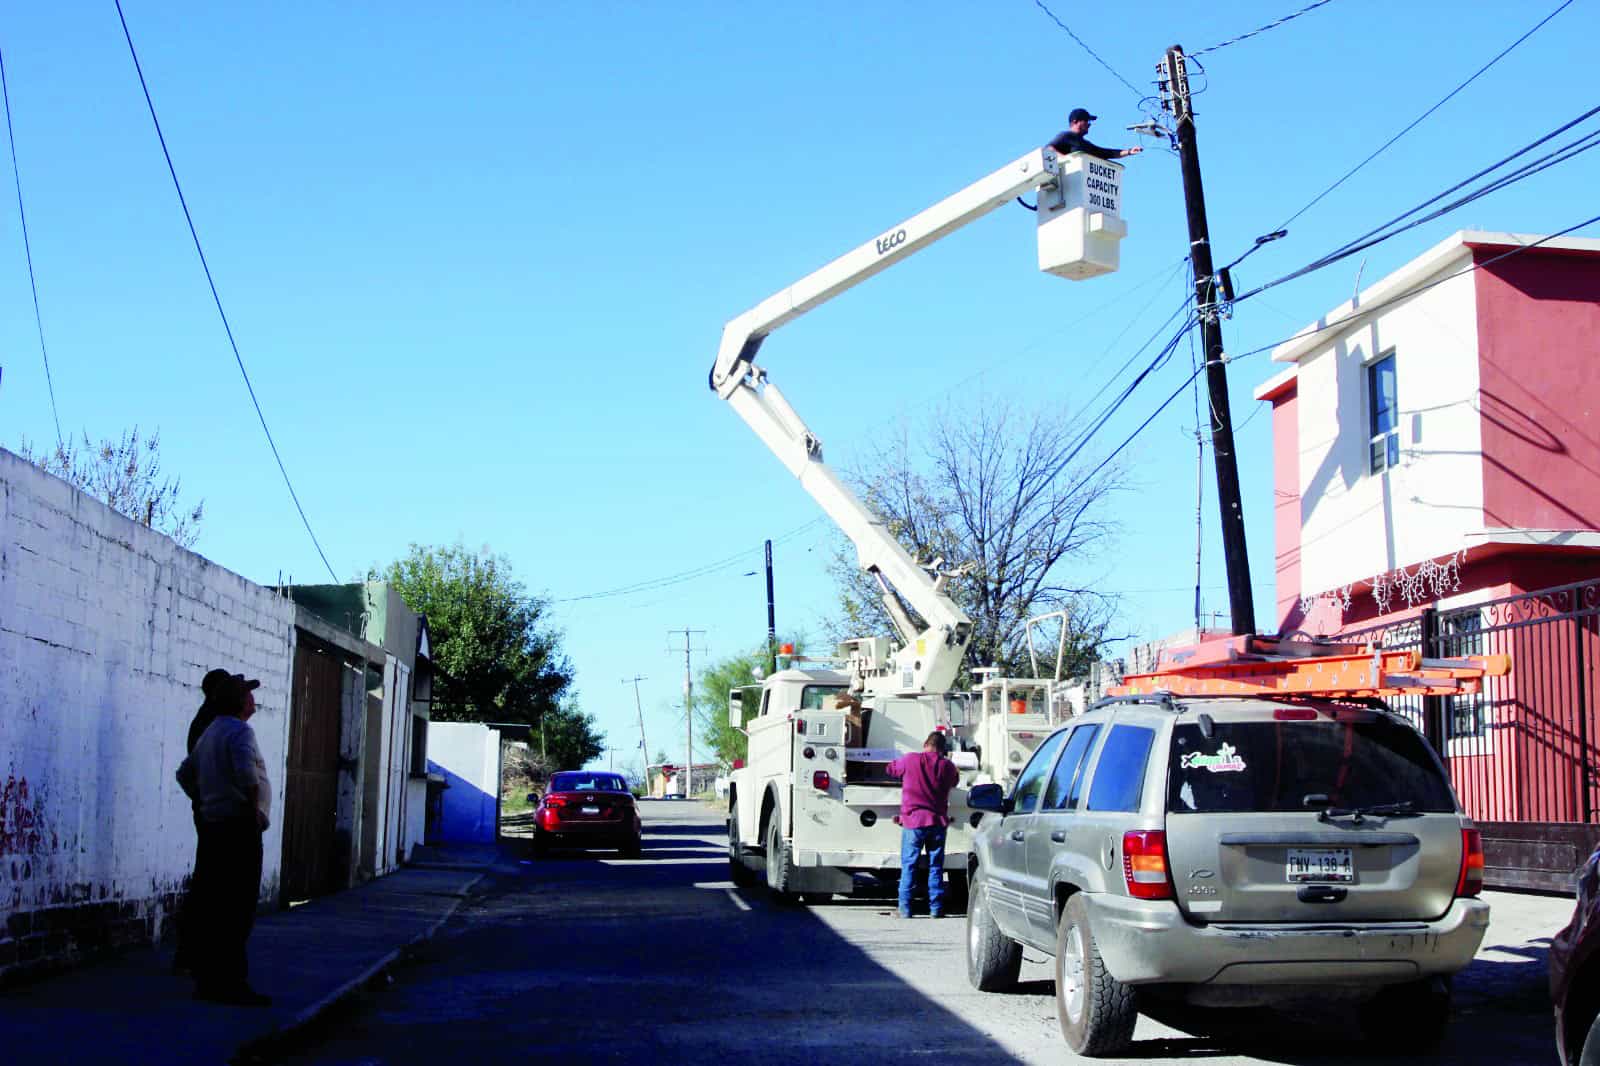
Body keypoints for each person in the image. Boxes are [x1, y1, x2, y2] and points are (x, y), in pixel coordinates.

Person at [176, 672, 273, 1006]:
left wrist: (205, 802)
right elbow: (248, 777)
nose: (253, 699)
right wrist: (254, 813)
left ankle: (209, 980)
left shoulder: (211, 731)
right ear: (239, 701)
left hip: (216, 825)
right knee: (238, 909)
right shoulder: (240, 733)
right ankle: (231, 982)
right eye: (248, 694)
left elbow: (184, 773)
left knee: (219, 905)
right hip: (238, 829)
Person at [172, 668, 235, 976]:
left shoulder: (207, 720)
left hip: (208, 809)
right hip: (213, 813)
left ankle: (194, 953)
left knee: (209, 879)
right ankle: (192, 954)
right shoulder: (211, 724)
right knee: (210, 881)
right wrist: (208, 800)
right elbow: (190, 772)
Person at [885, 731, 961, 918]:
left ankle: (905, 908)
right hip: (937, 823)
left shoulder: (910, 759)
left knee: (909, 864)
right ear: (943, 750)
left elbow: (890, 769)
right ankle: (935, 908)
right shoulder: (947, 766)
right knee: (936, 866)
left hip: (914, 822)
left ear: (925, 744)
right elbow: (955, 781)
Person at [1048, 107, 1143, 161]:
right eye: (1086, 121)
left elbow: (1105, 153)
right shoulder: (1066, 136)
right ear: (1075, 121)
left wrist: (1129, 151)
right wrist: (1067, 161)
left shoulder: (1085, 144)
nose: (1089, 125)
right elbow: (1049, 149)